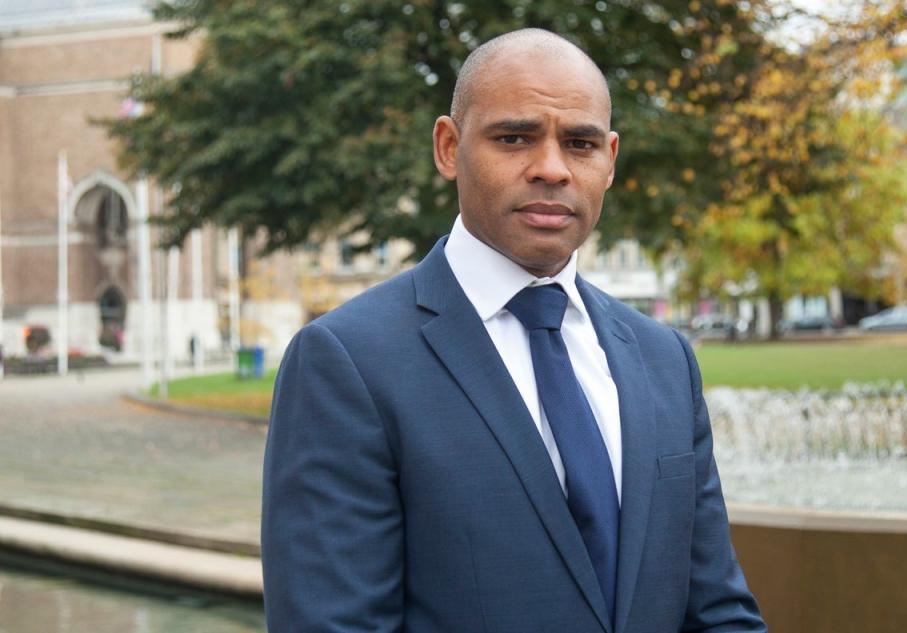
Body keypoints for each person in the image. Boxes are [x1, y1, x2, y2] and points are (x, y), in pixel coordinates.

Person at [261, 28, 765, 633]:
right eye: (514, 137)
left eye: (579, 143)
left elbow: (717, 611)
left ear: (608, 161)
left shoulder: (663, 357)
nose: (551, 168)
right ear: (449, 148)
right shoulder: (347, 361)